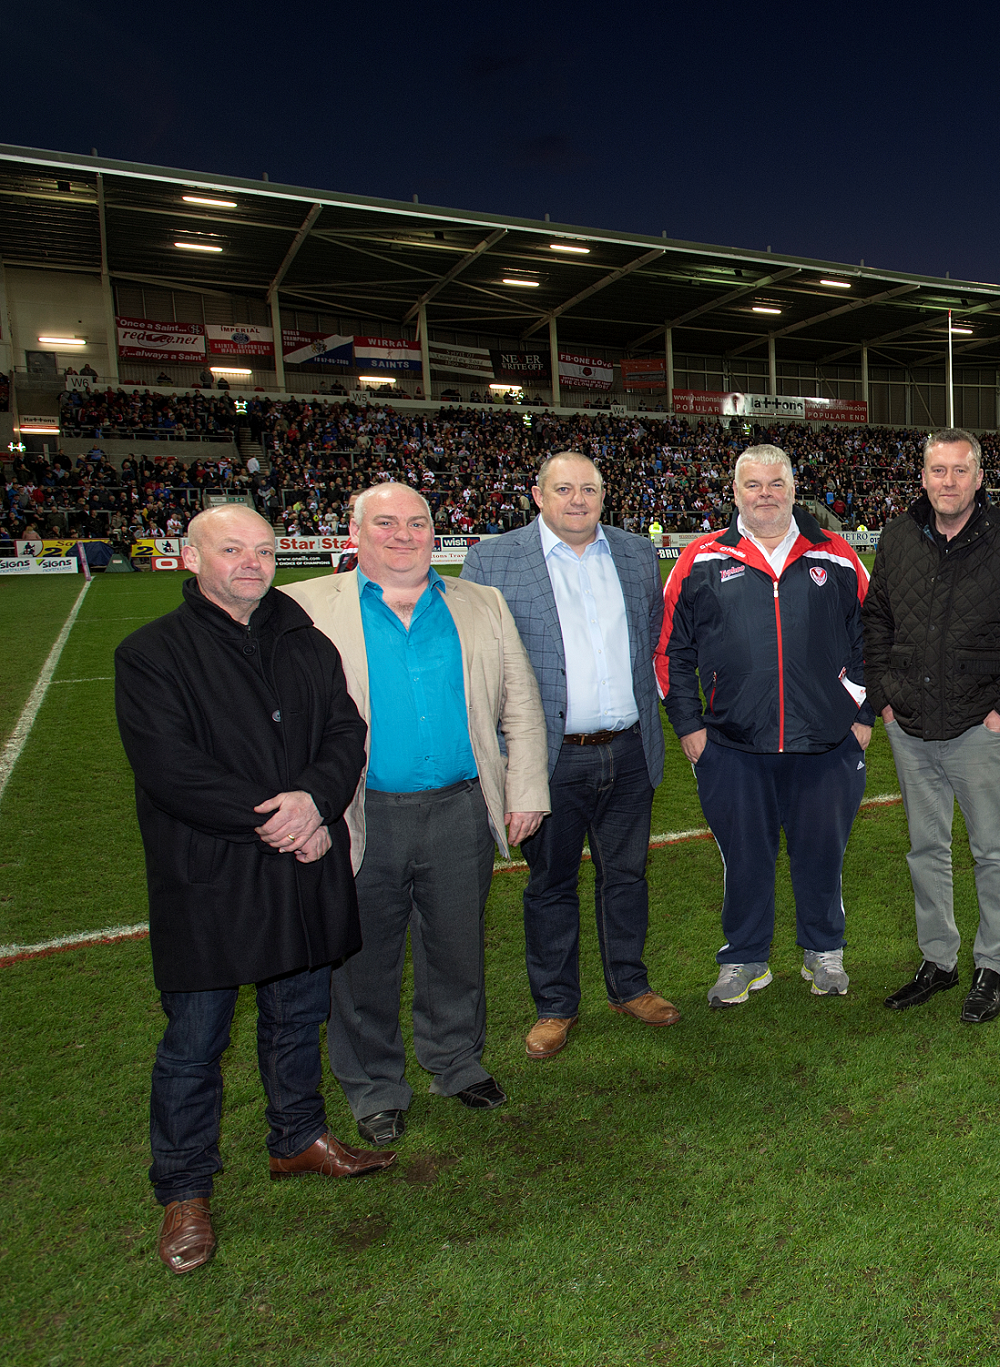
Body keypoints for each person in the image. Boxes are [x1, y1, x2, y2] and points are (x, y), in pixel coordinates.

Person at [115, 505, 394, 1276]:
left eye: (264, 550)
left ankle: (297, 1137)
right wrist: (283, 817)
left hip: (302, 863)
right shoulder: (152, 653)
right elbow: (171, 768)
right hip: (212, 874)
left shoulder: (304, 637)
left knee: (297, 1013)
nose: (251, 562)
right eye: (232, 549)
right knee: (195, 1039)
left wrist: (316, 800)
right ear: (191, 557)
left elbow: (345, 732)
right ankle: (184, 1188)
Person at [283, 483, 547, 1146]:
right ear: (355, 532)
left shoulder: (481, 602)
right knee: (363, 959)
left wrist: (526, 789)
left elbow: (519, 702)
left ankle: (456, 1062)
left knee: (456, 947)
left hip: (461, 807)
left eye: (417, 522)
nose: (403, 535)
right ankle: (374, 1084)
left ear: (436, 531)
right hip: (361, 812)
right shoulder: (305, 606)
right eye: (386, 523)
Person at [460, 452, 676, 1060]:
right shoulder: (494, 559)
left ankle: (629, 986)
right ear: (538, 495)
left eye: (588, 488)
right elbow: (478, 664)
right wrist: (507, 758)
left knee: (626, 877)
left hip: (628, 749)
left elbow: (650, 639)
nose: (577, 499)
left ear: (605, 495)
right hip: (548, 757)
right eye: (563, 489)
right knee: (551, 883)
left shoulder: (636, 554)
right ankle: (555, 1005)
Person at [658, 445, 874, 1006]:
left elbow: (874, 638)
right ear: (735, 492)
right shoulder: (700, 559)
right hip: (732, 744)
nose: (765, 494)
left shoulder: (836, 555)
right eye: (753, 484)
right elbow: (670, 651)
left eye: (776, 483)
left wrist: (862, 713)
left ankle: (824, 950)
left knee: (822, 854)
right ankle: (745, 958)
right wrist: (689, 725)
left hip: (825, 744)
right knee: (744, 859)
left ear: (794, 489)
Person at [864, 429, 1000, 1024]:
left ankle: (991, 965)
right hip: (911, 726)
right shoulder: (898, 536)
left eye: (959, 471)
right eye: (937, 470)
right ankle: (938, 959)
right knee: (926, 848)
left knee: (991, 851)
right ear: (923, 476)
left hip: (980, 726)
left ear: (979, 477)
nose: (947, 481)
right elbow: (876, 620)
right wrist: (885, 699)